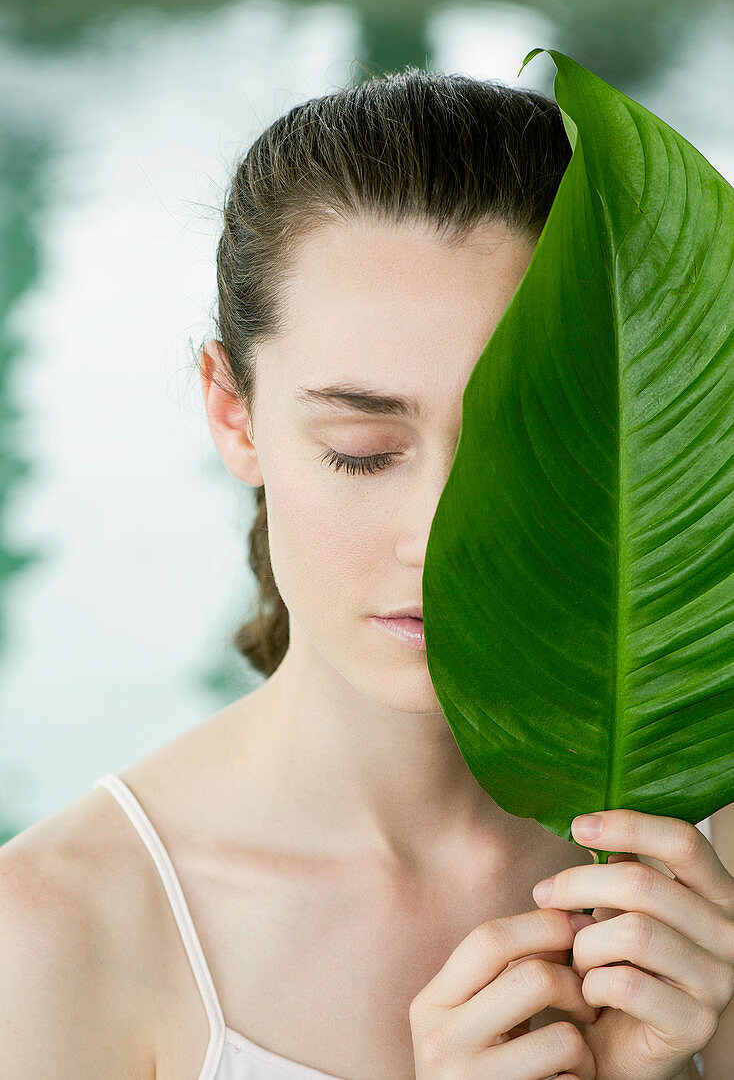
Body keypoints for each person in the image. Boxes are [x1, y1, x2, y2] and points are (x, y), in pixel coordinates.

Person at [0, 66, 722, 1080]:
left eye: (513, 444)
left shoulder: (702, 867)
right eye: (361, 448)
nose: (436, 537)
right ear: (232, 412)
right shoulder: (53, 935)